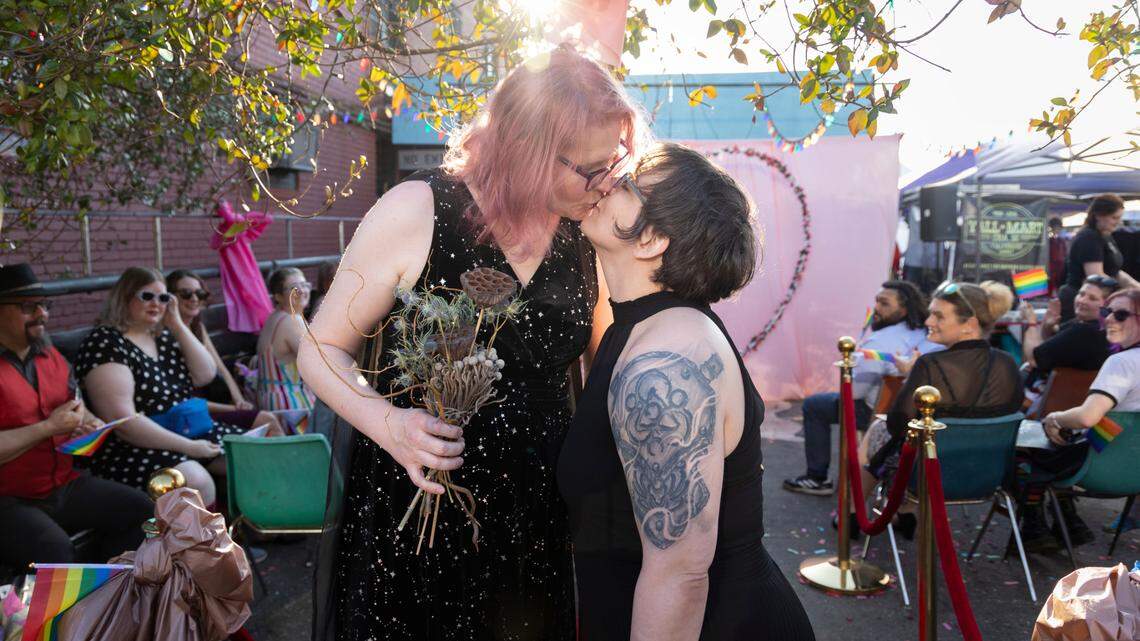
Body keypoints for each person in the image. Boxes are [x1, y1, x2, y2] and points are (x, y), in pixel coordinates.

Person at [297, 44, 646, 641]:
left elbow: (607, 367)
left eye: (613, 160)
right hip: (423, 505)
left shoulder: (587, 229)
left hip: (539, 513)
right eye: (590, 169)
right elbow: (319, 348)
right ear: (526, 151)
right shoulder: (417, 209)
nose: (605, 182)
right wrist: (390, 424)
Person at [558, 143, 813, 640]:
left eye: (626, 184)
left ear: (652, 239)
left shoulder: (668, 357)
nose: (605, 182)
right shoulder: (637, 327)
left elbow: (680, 574)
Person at [0, 263, 154, 569]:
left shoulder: (51, 356)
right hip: (8, 498)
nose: (42, 314)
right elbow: (51, 424)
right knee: (55, 551)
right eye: (28, 307)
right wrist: (48, 427)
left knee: (142, 511)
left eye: (44, 305)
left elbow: (74, 407)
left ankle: (107, 590)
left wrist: (88, 424)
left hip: (61, 484)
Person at [860, 281, 1024, 535]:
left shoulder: (930, 365)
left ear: (969, 324)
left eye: (938, 316)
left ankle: (852, 512)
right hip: (989, 474)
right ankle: (904, 512)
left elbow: (898, 424)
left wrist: (909, 376)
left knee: (878, 431)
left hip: (928, 474)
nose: (928, 321)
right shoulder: (1009, 364)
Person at [74, 267, 243, 506]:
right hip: (133, 446)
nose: (156, 303)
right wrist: (191, 447)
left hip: (185, 430)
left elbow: (206, 374)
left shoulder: (163, 337)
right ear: (124, 297)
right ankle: (205, 532)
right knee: (196, 480)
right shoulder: (106, 342)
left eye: (163, 298)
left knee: (250, 456)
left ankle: (251, 526)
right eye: (147, 296)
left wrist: (177, 324)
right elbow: (124, 423)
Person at [784, 281, 937, 495]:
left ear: (903, 309)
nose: (877, 308)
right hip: (911, 413)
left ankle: (817, 477)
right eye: (877, 301)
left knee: (814, 405)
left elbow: (854, 393)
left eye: (884, 303)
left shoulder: (881, 341)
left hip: (877, 413)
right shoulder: (925, 334)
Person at [1018, 289, 1140, 550]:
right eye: (1107, 312)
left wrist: (1054, 418)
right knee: (1060, 445)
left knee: (1025, 449)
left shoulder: (1122, 362)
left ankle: (1034, 526)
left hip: (1101, 468)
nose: (1109, 319)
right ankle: (1067, 519)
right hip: (1131, 469)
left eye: (1121, 314)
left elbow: (1087, 417)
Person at [166, 269, 282, 435]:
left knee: (269, 419)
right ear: (171, 298)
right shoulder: (167, 335)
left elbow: (220, 368)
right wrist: (233, 408)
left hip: (211, 404)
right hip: (191, 415)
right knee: (267, 420)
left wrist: (239, 401)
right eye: (186, 293)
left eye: (200, 293)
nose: (194, 299)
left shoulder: (197, 327)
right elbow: (184, 399)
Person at [1019, 274, 1116, 385]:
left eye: (1092, 298)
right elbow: (1048, 346)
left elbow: (1033, 358)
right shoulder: (1091, 325)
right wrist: (1047, 327)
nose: (1082, 300)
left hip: (1050, 393)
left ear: (1108, 306)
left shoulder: (1086, 331)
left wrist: (1031, 322)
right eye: (1081, 294)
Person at [1059, 194, 1138, 321]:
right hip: (1082, 301)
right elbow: (1096, 277)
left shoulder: (1105, 236)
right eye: (1114, 217)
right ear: (1099, 215)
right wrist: (1124, 292)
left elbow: (1115, 270)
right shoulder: (1089, 238)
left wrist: (1135, 287)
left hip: (1098, 301)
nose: (1118, 222)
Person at [256, 267, 315, 413]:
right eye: (294, 287)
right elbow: (318, 363)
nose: (302, 291)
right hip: (291, 404)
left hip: (270, 400)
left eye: (304, 285)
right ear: (278, 297)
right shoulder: (292, 321)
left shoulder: (274, 317)